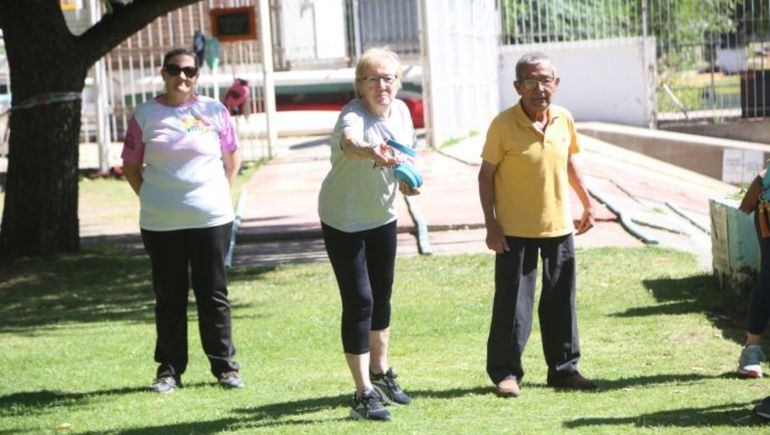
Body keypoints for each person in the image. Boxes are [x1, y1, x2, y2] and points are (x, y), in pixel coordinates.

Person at [121, 47, 244, 394]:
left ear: (197, 76)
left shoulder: (214, 110)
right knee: (169, 295)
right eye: (175, 70)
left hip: (211, 218)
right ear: (163, 73)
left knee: (213, 294)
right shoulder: (145, 113)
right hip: (161, 221)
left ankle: (225, 367)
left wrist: (217, 195)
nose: (182, 77)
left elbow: (232, 159)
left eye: (189, 71)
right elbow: (131, 167)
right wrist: (152, 196)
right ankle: (170, 370)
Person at [478, 51, 597, 398]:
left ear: (556, 84)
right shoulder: (502, 125)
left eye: (545, 80)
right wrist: (491, 225)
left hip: (559, 227)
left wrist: (587, 202)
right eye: (530, 80)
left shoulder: (564, 119)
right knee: (513, 305)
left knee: (562, 302)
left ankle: (564, 370)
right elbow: (485, 176)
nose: (539, 88)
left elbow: (570, 161)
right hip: (515, 231)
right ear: (517, 86)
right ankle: (506, 373)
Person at [317, 46, 418, 421]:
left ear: (398, 82)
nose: (381, 85)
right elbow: (350, 144)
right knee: (360, 300)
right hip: (343, 219)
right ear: (359, 85)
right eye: (371, 79)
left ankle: (380, 370)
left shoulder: (403, 112)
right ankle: (362, 393)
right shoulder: (353, 115)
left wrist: (406, 180)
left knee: (382, 295)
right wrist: (374, 151)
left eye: (388, 77)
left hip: (382, 215)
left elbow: (406, 155)